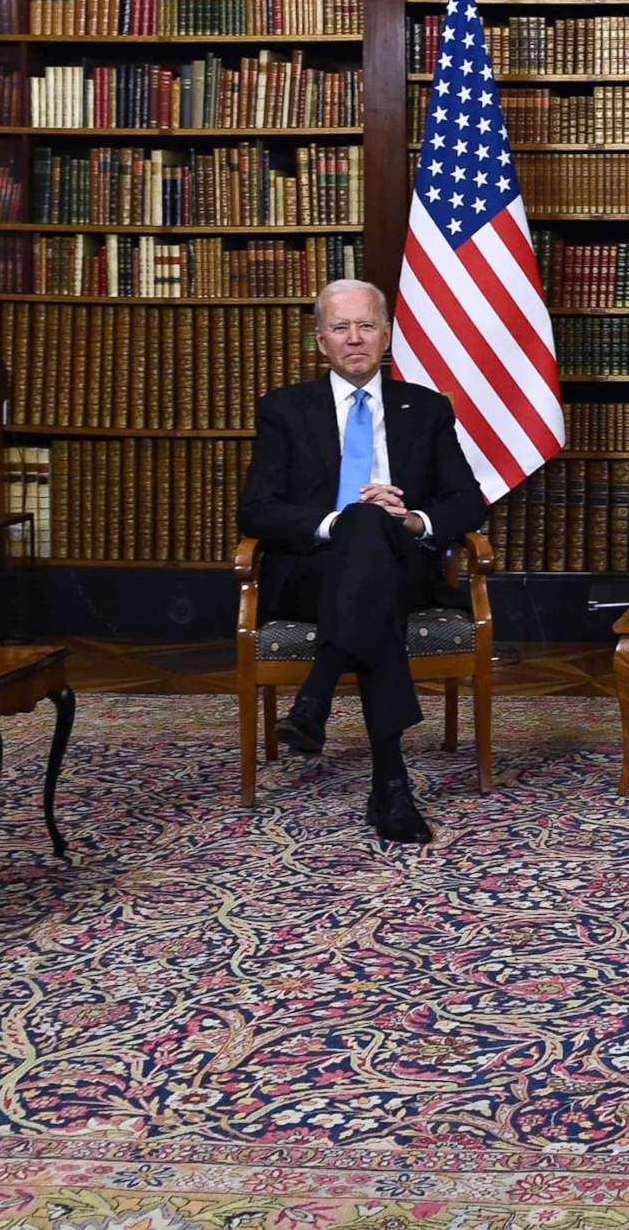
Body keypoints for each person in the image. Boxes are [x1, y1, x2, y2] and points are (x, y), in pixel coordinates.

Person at [236, 278, 485, 845]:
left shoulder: (426, 409)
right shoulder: (284, 409)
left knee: (376, 529)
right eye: (341, 327)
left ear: (388, 335)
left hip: (401, 565)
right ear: (320, 340)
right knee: (363, 535)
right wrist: (338, 522)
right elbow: (255, 512)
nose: (355, 339)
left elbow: (466, 499)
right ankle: (390, 785)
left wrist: (413, 520)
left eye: (367, 326)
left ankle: (316, 697)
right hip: (310, 573)